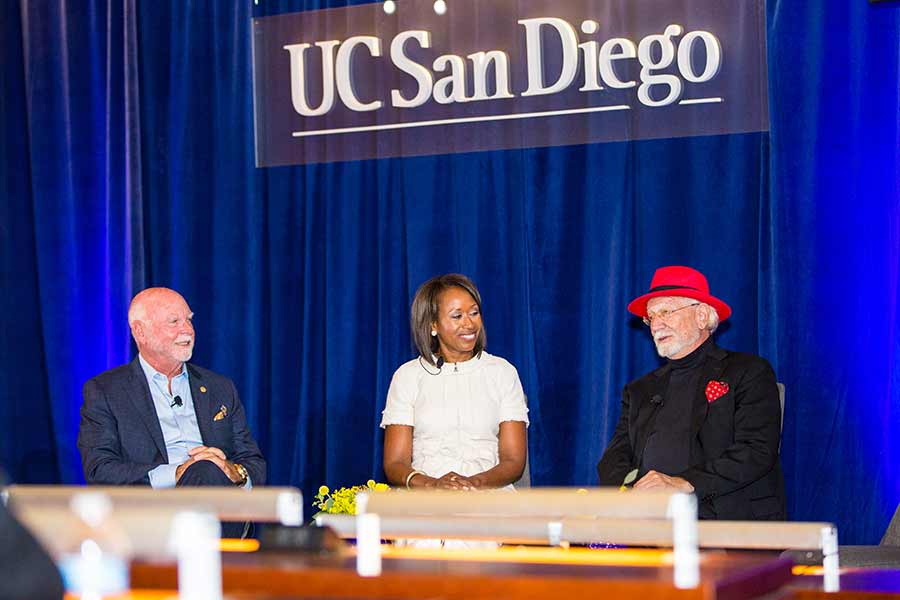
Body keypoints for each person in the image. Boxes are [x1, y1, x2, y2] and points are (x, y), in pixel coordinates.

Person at [597, 266, 786, 520]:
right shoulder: (639, 390)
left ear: (702, 316)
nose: (656, 325)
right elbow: (612, 460)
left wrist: (683, 483)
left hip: (728, 523)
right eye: (651, 317)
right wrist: (634, 493)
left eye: (666, 311)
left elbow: (756, 450)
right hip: (652, 524)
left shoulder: (748, 372)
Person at [78, 287, 265, 493]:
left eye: (189, 320)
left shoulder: (219, 387)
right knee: (203, 470)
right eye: (174, 321)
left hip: (221, 500)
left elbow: (254, 464)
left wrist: (232, 471)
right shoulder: (105, 390)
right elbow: (100, 470)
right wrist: (177, 473)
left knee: (208, 470)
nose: (187, 330)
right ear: (140, 331)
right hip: (154, 511)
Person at [382, 274, 529, 494]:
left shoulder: (502, 373)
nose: (469, 324)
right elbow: (395, 464)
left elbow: (514, 461)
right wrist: (434, 485)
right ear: (433, 325)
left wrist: (473, 484)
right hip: (425, 496)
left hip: (489, 495)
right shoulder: (407, 376)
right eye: (457, 316)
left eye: (474, 313)